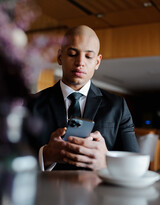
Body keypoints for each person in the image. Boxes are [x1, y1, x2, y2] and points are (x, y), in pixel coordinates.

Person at [29, 25, 139, 171]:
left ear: (97, 62)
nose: (80, 62)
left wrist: (106, 163)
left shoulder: (117, 106)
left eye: (88, 56)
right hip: (45, 192)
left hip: (99, 192)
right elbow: (9, 159)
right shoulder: (31, 103)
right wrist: (45, 156)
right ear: (60, 57)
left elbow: (134, 165)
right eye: (73, 53)